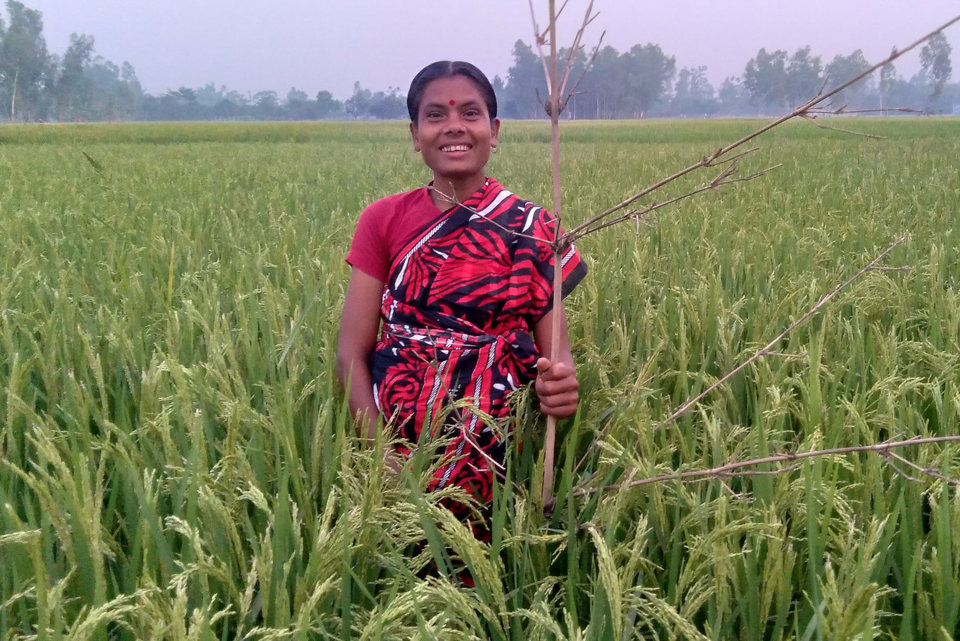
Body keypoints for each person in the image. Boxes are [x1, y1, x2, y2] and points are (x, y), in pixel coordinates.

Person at [336, 60, 586, 530]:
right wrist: (378, 455)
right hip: (397, 446)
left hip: (498, 449)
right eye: (436, 115)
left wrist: (561, 390)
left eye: (470, 113)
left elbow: (559, 359)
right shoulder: (381, 220)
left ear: (494, 131)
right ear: (415, 134)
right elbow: (351, 353)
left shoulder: (536, 230)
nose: (454, 126)